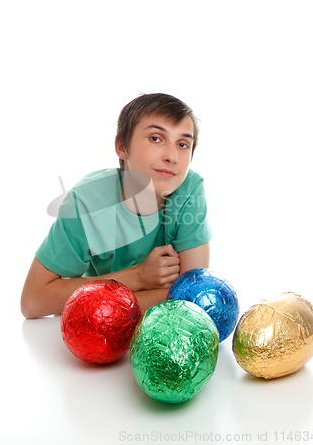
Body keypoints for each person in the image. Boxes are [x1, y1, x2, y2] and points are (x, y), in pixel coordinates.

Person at [21, 93, 212, 319]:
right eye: (155, 138)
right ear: (122, 146)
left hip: (103, 311)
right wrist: (137, 277)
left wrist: (86, 301)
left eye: (182, 144)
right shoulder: (86, 202)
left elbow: (191, 301)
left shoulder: (189, 189)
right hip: (97, 332)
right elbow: (33, 301)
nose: (172, 156)